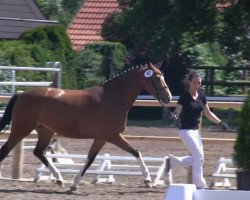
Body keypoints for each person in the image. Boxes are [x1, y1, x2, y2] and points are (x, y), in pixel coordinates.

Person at [166, 69, 228, 189]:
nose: (197, 85)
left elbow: (208, 113)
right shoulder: (184, 97)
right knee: (199, 156)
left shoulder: (202, 97)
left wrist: (220, 122)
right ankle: (199, 185)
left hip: (196, 132)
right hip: (185, 131)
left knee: (198, 158)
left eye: (199, 83)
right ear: (189, 82)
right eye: (195, 82)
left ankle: (172, 162)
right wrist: (173, 117)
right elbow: (177, 112)